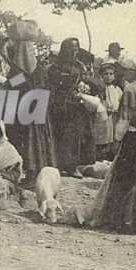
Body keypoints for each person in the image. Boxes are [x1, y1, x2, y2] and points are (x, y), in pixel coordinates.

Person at [83, 57, 136, 234]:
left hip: (135, 138)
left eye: (123, 71)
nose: (121, 74)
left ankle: (119, 219)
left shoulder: (130, 90)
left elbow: (124, 118)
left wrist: (116, 140)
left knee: (126, 178)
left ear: (132, 71)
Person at [4, 21, 57, 184]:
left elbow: (13, 86)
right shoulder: (38, 69)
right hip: (37, 109)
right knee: (38, 140)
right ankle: (38, 171)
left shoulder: (19, 71)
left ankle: (32, 174)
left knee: (28, 140)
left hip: (24, 111)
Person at [47, 38, 98, 179]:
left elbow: (88, 79)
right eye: (70, 48)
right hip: (60, 104)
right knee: (62, 135)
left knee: (77, 134)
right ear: (64, 49)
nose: (74, 51)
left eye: (76, 48)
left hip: (78, 105)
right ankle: (63, 165)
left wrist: (86, 87)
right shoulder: (55, 67)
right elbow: (53, 86)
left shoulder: (81, 65)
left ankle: (74, 164)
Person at [93, 62, 123, 161]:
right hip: (102, 118)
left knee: (112, 137)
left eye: (111, 74)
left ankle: (110, 158)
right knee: (102, 138)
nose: (108, 76)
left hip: (114, 117)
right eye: (106, 74)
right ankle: (100, 157)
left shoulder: (117, 89)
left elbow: (120, 101)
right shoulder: (98, 88)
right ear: (101, 76)